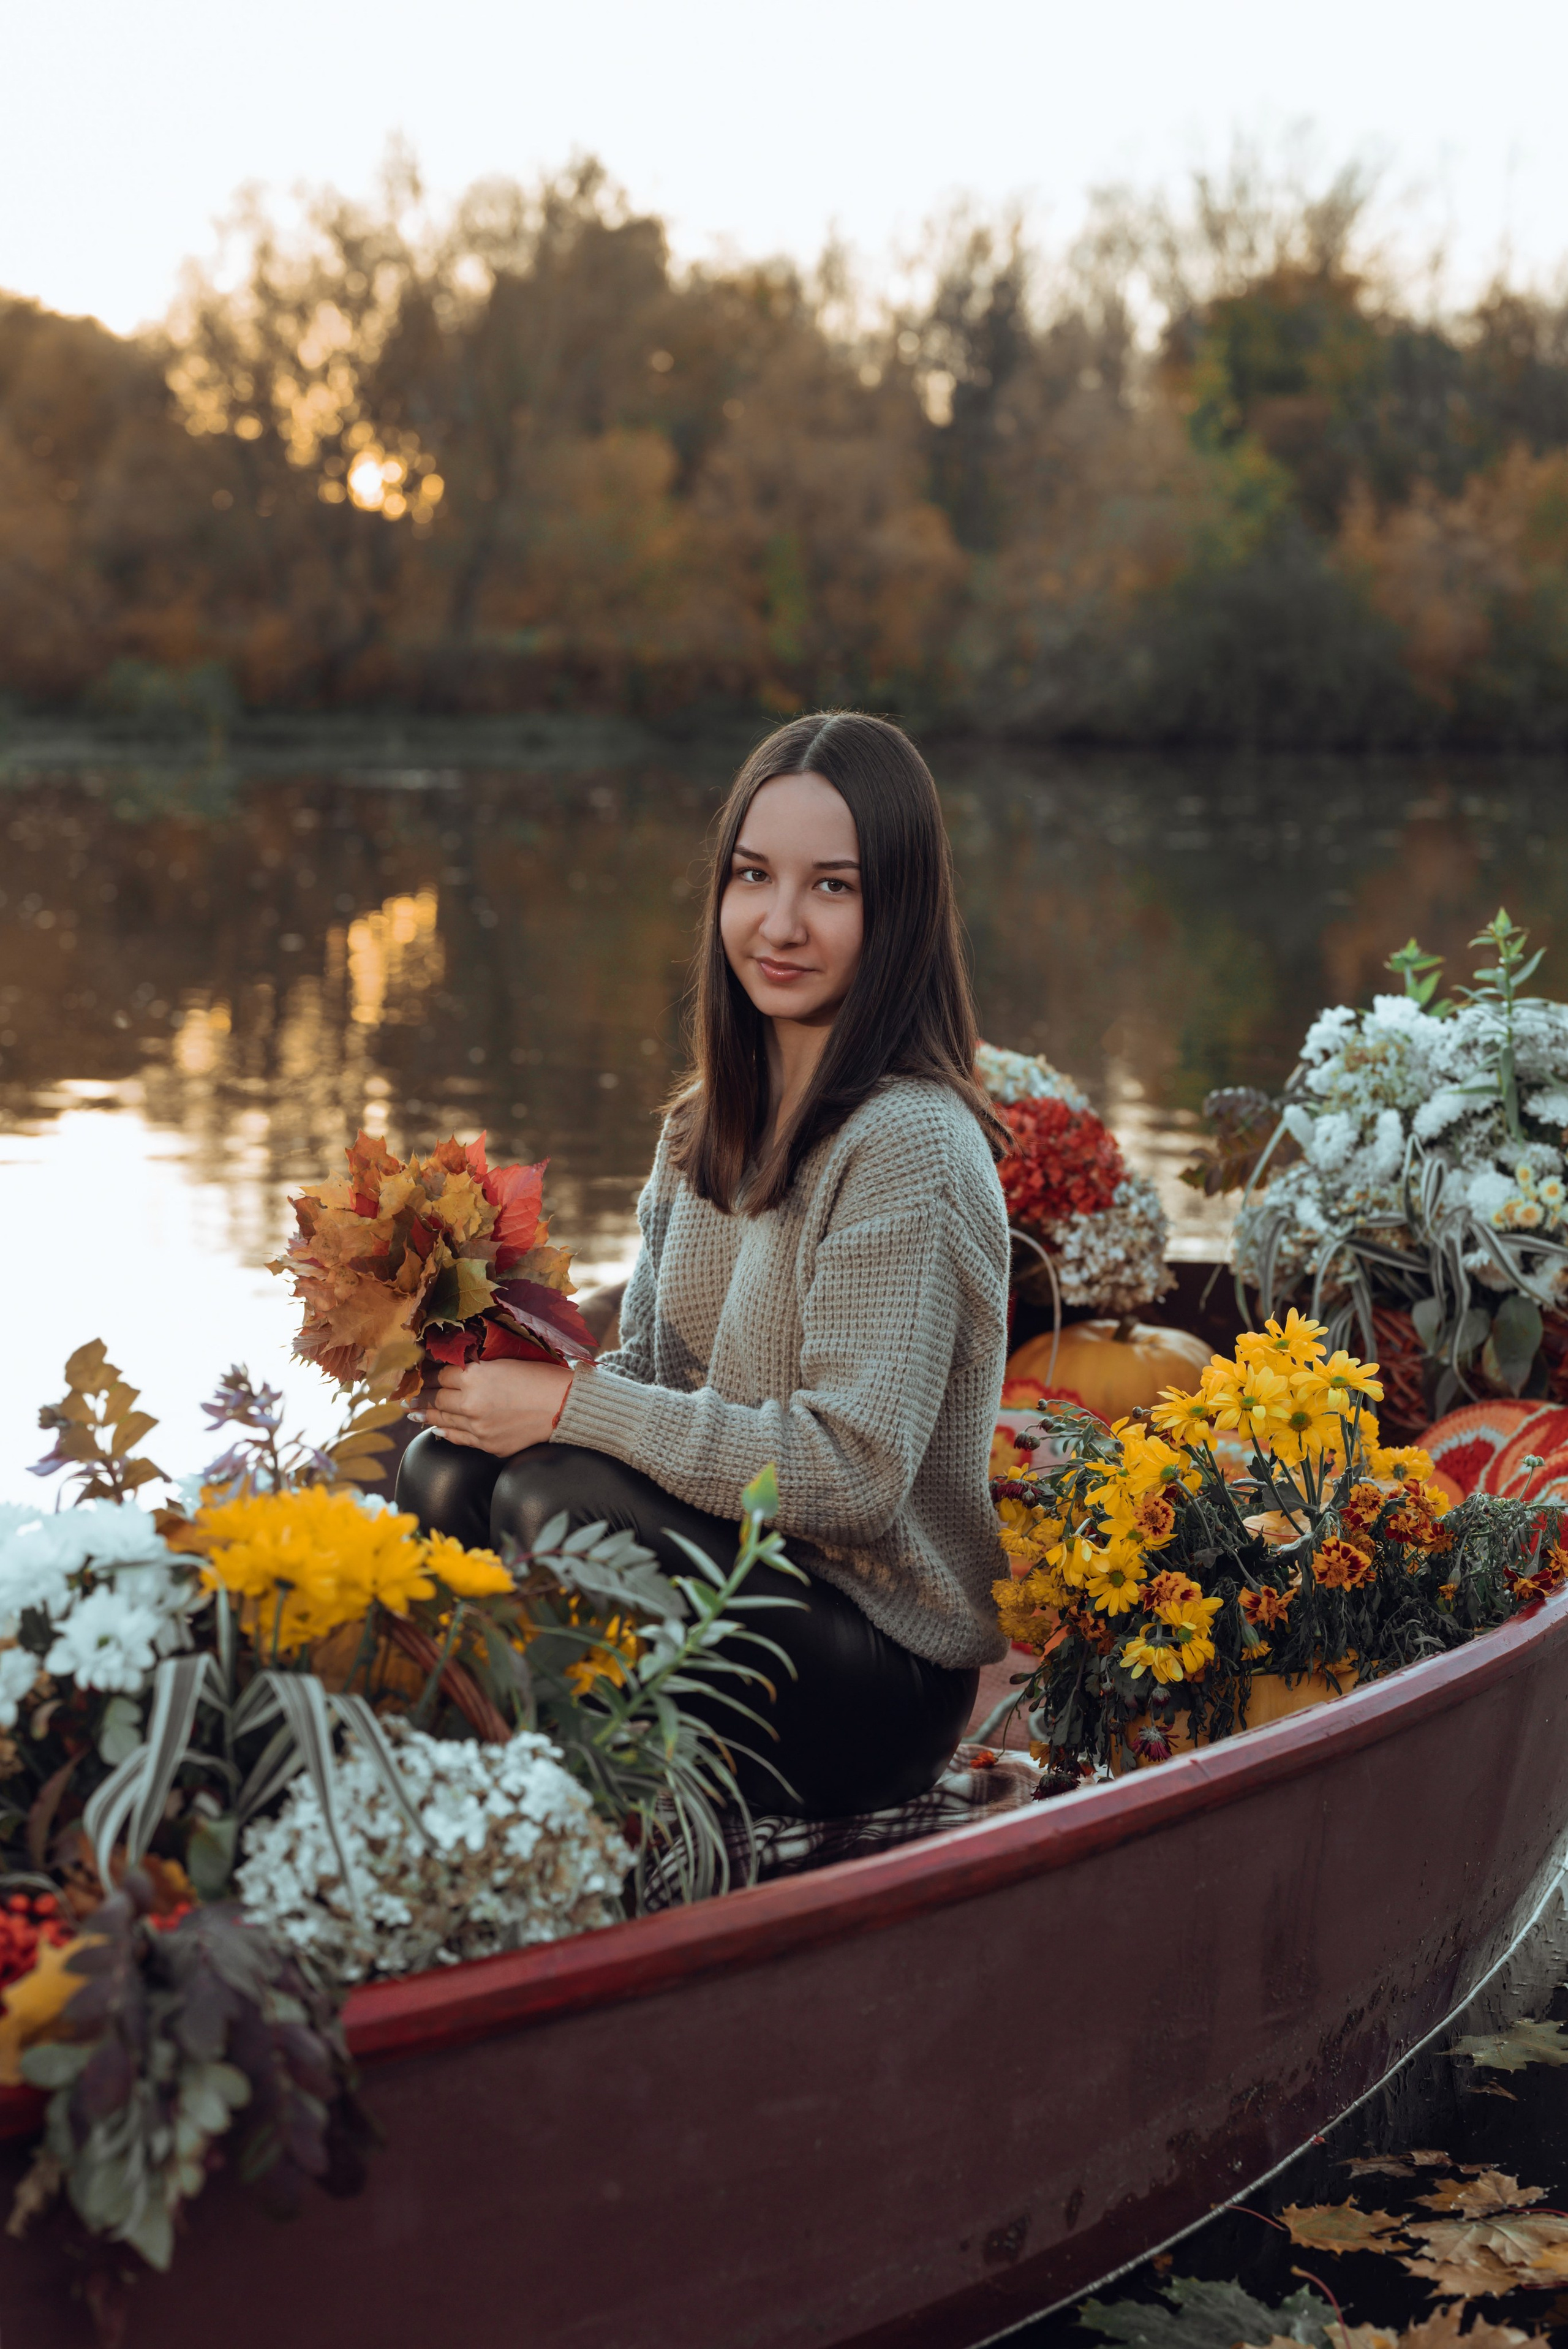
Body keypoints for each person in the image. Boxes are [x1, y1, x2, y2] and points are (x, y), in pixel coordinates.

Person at [396, 711, 1012, 1817]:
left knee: (556, 1502)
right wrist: (489, 1367)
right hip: (731, 1566)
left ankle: (591, 1829)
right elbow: (650, 1377)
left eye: (833, 887)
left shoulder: (910, 1145)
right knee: (444, 1470)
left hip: (877, 1661)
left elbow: (852, 1477)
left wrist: (569, 1408)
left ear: (900, 909)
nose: (780, 923)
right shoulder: (704, 1124)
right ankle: (473, 1799)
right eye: (752, 876)